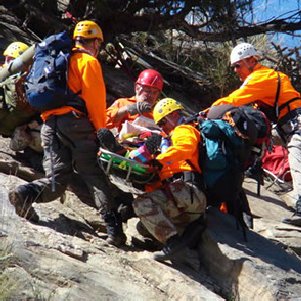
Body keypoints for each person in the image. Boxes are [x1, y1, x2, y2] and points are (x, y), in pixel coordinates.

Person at [8, 20, 128, 247]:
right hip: (76, 124)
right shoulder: (88, 61)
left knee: (56, 179)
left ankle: (24, 194)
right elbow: (95, 101)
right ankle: (114, 231)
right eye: (98, 44)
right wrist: (100, 129)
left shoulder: (58, 59)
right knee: (93, 173)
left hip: (49, 124)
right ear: (95, 42)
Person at [210, 42, 301, 226]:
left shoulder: (261, 77)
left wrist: (208, 112)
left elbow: (234, 99)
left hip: (295, 124)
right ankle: (254, 168)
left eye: (238, 65)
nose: (235, 70)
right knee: (260, 132)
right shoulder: (266, 77)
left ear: (251, 60)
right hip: (286, 126)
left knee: (297, 156)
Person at [132, 98, 207, 266]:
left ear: (173, 114)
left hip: (189, 191)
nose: (162, 127)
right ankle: (183, 245)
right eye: (159, 124)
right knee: (143, 227)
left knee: (141, 205)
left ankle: (174, 246)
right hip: (184, 197)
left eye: (163, 122)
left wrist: (160, 161)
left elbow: (184, 148)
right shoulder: (169, 140)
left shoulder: (184, 130)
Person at [0, 42, 42, 155]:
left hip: (16, 129)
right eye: (7, 59)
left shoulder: (30, 85)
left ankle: (31, 156)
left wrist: (28, 126)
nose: (7, 62)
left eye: (11, 59)